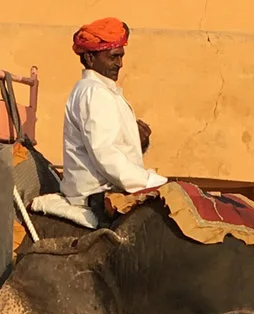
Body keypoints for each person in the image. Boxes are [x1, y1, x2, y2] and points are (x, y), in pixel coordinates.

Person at [35, 17, 165, 227]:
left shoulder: (104, 92)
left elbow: (110, 147)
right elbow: (105, 155)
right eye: (113, 57)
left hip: (113, 187)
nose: (120, 64)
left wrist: (136, 138)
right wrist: (151, 183)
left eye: (121, 56)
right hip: (98, 196)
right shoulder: (93, 93)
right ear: (90, 57)